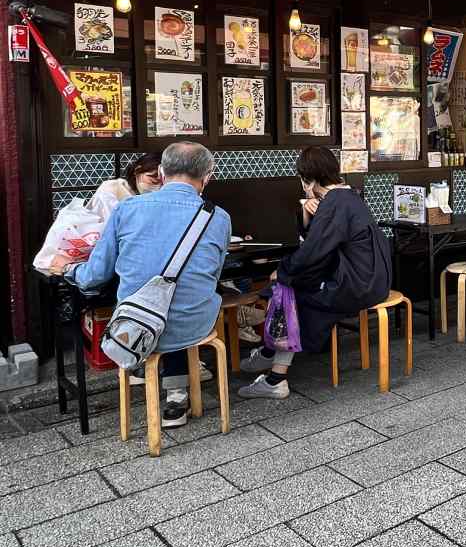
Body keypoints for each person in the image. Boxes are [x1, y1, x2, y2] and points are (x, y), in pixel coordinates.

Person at [49, 143, 230, 428]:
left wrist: (68, 269)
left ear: (161, 171)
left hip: (136, 328)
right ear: (208, 176)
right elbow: (213, 275)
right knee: (175, 307)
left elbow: (95, 275)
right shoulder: (219, 217)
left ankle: (144, 372)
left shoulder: (128, 209)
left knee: (152, 312)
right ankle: (176, 396)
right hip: (197, 324)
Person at [239, 146, 392, 398]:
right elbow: (320, 246)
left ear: (308, 180)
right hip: (371, 280)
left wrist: (283, 271)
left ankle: (274, 372)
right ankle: (270, 359)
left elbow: (313, 252)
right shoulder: (348, 197)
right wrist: (308, 217)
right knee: (290, 288)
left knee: (288, 293)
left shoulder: (334, 203)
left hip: (358, 286)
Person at [93, 152, 163, 204]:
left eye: (163, 184)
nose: (158, 188)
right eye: (154, 181)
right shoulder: (112, 189)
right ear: (137, 170)